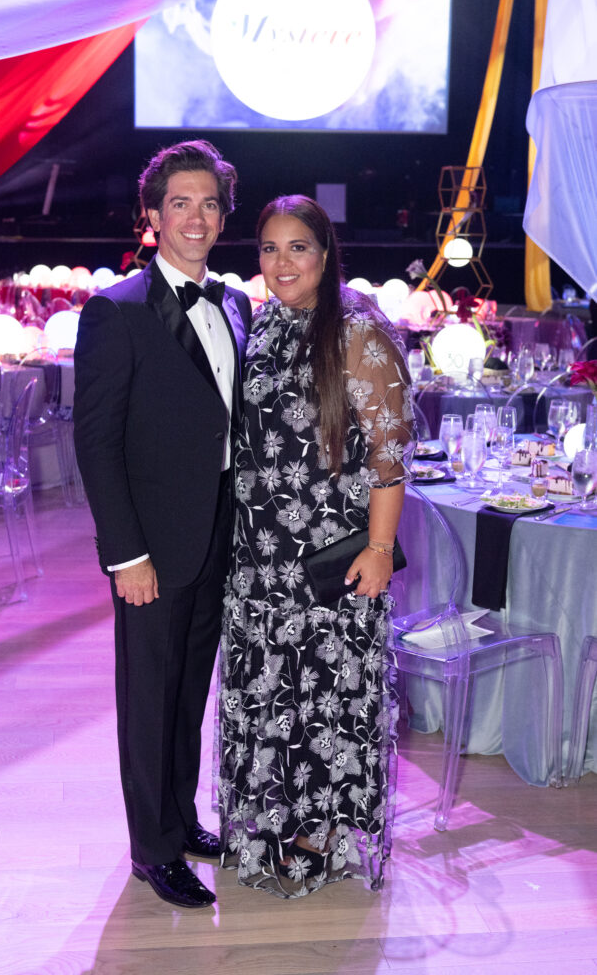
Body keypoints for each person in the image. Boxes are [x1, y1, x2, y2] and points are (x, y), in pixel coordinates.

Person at [218, 194, 413, 897]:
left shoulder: (356, 331)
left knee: (326, 695)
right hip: (258, 561)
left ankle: (318, 831)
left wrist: (381, 548)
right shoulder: (264, 325)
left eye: (297, 247)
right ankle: (273, 818)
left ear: (325, 255)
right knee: (271, 692)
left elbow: (390, 454)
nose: (282, 263)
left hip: (331, 561)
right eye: (269, 249)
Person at [74, 140, 251, 909]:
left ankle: (180, 820)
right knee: (148, 698)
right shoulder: (114, 311)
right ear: (152, 215)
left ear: (223, 215)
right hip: (151, 545)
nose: (196, 218)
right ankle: (151, 849)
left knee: (187, 693)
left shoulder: (235, 304)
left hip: (218, 533)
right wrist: (125, 555)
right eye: (180, 203)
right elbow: (95, 443)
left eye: (209, 203)